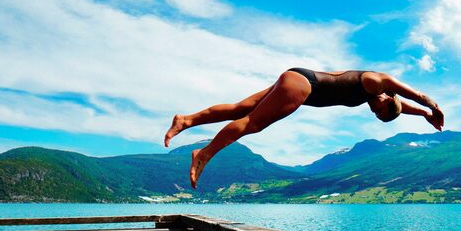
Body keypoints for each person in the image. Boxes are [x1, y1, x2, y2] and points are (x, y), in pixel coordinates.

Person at [164, 67, 445, 188]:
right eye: (378, 107)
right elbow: (408, 93)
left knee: (242, 108)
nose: (373, 108)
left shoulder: (375, 96)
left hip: (298, 77)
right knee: (253, 124)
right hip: (303, 86)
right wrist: (431, 105)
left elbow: (400, 107)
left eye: (376, 113)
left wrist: (421, 115)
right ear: (388, 96)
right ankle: (205, 153)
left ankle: (187, 120)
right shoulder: (376, 81)